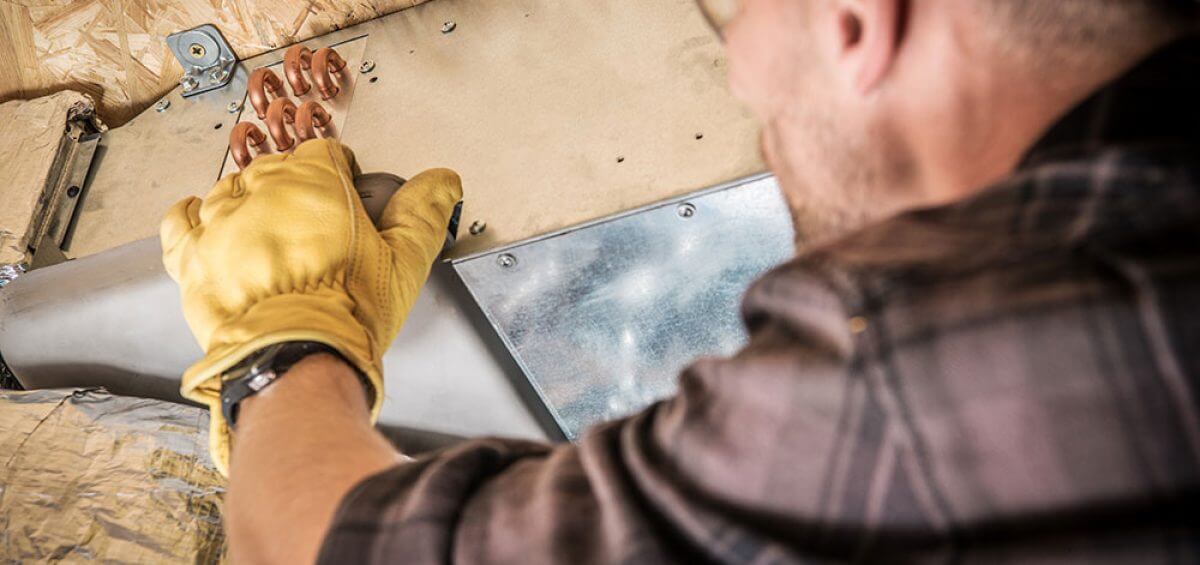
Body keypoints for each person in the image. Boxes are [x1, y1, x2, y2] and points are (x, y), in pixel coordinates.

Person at [160, 0, 1200, 562]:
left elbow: (320, 548)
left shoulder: (935, 362)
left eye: (728, 20)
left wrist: (280, 341)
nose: (742, 80)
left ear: (852, 22)